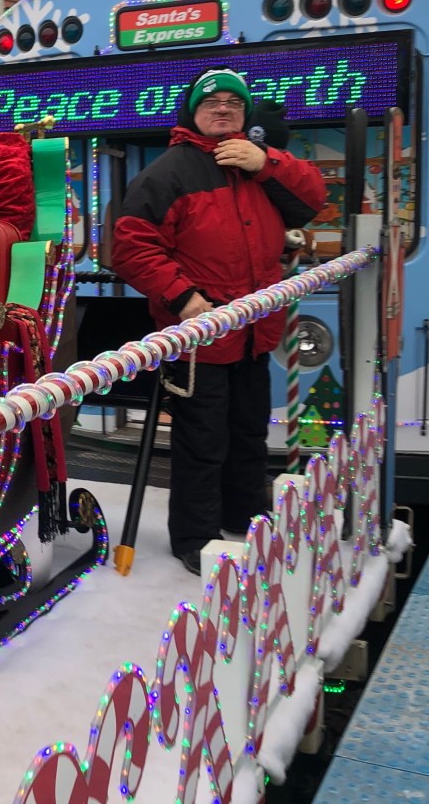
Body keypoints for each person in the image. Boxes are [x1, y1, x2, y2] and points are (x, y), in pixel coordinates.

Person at [110, 67, 326, 575]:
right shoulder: (168, 173)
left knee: (249, 433)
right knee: (202, 443)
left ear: (246, 113)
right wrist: (182, 296)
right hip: (198, 340)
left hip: (254, 334)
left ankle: (243, 518)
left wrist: (266, 162)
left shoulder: (261, 166)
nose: (223, 108)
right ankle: (196, 538)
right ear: (193, 112)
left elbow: (313, 199)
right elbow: (130, 246)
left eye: (233, 102)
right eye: (211, 102)